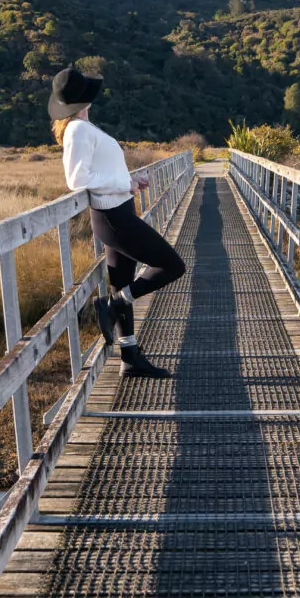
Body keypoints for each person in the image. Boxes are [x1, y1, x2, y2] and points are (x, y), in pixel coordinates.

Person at [48, 66, 185, 378]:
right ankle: (111, 305)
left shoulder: (82, 127)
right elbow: (77, 179)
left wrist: (130, 180)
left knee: (123, 281)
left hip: (117, 210)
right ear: (84, 99)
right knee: (172, 265)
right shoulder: (79, 130)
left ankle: (130, 356)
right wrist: (125, 184)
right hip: (113, 217)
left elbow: (101, 174)